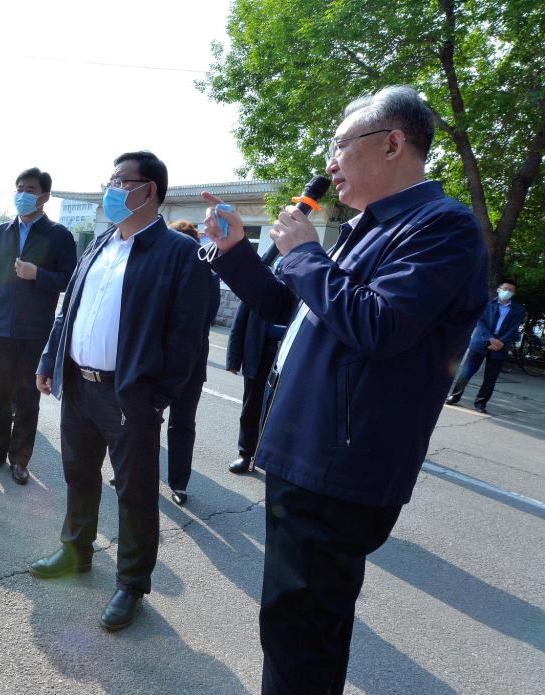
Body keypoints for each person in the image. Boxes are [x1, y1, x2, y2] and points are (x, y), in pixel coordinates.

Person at [200, 85, 488, 694]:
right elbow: (289, 306)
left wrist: (306, 253)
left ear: (392, 143)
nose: (329, 164)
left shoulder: (443, 227)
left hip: (340, 464)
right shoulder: (368, 226)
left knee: (299, 631)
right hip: (306, 449)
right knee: (301, 623)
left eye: (339, 146)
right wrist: (235, 252)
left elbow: (379, 325)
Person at [32, 151, 207, 631]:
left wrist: (156, 396)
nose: (110, 189)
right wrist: (50, 359)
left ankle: (131, 584)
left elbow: (188, 337)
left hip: (130, 396)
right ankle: (76, 551)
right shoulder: (101, 243)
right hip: (79, 385)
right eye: (110, 180)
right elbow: (68, 310)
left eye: (120, 181)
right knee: (78, 474)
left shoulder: (178, 252)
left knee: (134, 493)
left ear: (148, 190)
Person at [0, 167, 76, 485]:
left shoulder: (58, 235)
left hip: (34, 331)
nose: (23, 194)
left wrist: (38, 275)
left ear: (45, 196)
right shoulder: (1, 233)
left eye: (30, 189)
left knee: (28, 398)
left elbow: (70, 281)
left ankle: (19, 459)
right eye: (19, 188)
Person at [163, 219, 216, 506]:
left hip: (190, 362)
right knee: (146, 419)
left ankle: (179, 483)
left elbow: (207, 316)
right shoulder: (161, 268)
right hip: (159, 360)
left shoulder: (205, 271)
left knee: (181, 422)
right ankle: (134, 471)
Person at [225, 254, 286, 474]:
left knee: (283, 411)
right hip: (260, 351)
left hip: (287, 354)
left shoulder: (303, 282)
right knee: (252, 407)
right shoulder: (262, 282)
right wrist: (233, 359)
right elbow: (239, 321)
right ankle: (245, 453)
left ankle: (276, 461)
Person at [446, 279, 525, 413]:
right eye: (505, 289)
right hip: (480, 342)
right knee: (467, 372)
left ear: (514, 293)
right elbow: (480, 322)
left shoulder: (518, 310)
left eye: (511, 290)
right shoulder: (487, 303)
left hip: (500, 346)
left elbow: (514, 328)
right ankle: (455, 395)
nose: (507, 292)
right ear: (499, 289)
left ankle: (481, 403)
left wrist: (501, 342)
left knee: (491, 377)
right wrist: (490, 338)